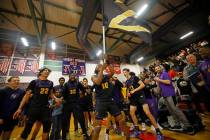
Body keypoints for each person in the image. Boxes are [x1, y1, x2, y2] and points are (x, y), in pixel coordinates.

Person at [13, 67, 61, 140]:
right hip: (34, 108)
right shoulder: (34, 82)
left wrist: (55, 98)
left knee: (46, 129)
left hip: (45, 108)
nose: (47, 71)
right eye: (45, 70)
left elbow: (50, 94)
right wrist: (20, 108)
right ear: (40, 72)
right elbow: (27, 95)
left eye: (48, 71)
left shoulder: (50, 83)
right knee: (27, 129)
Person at [91, 63, 130, 140]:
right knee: (98, 126)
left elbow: (112, 72)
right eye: (98, 66)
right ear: (96, 69)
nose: (100, 66)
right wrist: (102, 69)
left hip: (110, 100)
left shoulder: (106, 76)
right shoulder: (93, 76)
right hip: (101, 102)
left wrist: (109, 64)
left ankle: (128, 137)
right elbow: (98, 82)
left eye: (101, 65)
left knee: (121, 120)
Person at [123, 68, 163, 139]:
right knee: (131, 113)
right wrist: (128, 94)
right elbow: (128, 91)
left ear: (128, 72)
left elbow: (142, 85)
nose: (124, 74)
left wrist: (134, 90)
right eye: (123, 73)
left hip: (140, 96)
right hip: (133, 98)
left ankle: (158, 131)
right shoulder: (126, 82)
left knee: (147, 113)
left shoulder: (134, 78)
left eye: (125, 72)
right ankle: (137, 130)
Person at [154, 65, 194, 134]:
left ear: (161, 68)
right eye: (156, 69)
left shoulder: (164, 73)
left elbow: (168, 82)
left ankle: (188, 126)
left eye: (158, 68)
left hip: (170, 94)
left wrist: (158, 80)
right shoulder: (159, 76)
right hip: (165, 96)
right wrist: (157, 83)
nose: (157, 70)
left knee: (176, 110)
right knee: (171, 111)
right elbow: (158, 90)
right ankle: (177, 124)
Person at [62, 72, 89, 140]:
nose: (72, 77)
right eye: (71, 75)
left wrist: (81, 95)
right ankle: (66, 134)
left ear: (75, 77)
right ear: (69, 76)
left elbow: (83, 90)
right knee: (66, 120)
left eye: (74, 75)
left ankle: (84, 133)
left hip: (76, 104)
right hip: (67, 104)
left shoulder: (78, 83)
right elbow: (63, 95)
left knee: (81, 119)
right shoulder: (66, 84)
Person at [198, 44, 210, 111]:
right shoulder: (201, 65)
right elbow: (203, 78)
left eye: (202, 51)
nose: (200, 53)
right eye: (199, 52)